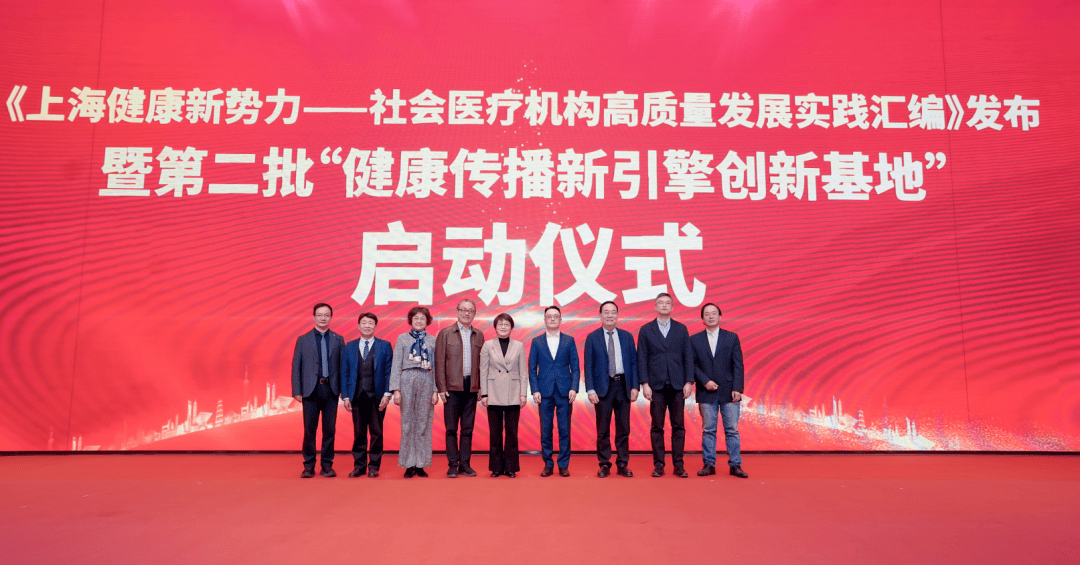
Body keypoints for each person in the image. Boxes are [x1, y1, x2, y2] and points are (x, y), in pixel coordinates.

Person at [637, 292, 694, 478]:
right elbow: (641, 358)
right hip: (656, 386)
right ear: (655, 307)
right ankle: (659, 464)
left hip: (678, 386)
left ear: (672, 307)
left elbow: (688, 357)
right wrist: (645, 383)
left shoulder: (681, 329)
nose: (664, 305)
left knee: (678, 426)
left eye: (667, 303)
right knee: (657, 426)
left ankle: (679, 465)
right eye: (660, 303)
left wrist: (688, 382)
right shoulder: (646, 329)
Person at [691, 303, 748, 478]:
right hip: (706, 391)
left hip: (729, 391)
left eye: (714, 313)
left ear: (720, 316)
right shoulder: (694, 340)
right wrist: (705, 381)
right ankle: (709, 464)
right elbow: (692, 365)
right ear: (702, 319)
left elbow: (738, 365)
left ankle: (735, 465)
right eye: (707, 314)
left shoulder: (731, 337)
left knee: (732, 430)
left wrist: (738, 388)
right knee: (708, 430)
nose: (710, 316)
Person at [584, 301, 639, 478]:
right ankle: (604, 464)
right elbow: (588, 365)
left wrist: (635, 386)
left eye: (613, 312)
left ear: (617, 315)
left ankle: (622, 463)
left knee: (623, 428)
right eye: (606, 312)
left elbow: (633, 363)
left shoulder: (627, 336)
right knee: (603, 429)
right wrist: (590, 389)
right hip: (602, 388)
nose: (610, 315)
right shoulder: (592, 337)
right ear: (600, 315)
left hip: (623, 386)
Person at [291, 303, 345, 478]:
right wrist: (297, 390)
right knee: (309, 430)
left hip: (331, 389)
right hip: (310, 390)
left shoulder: (338, 339)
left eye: (327, 315)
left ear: (331, 317)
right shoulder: (303, 339)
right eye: (320, 315)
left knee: (329, 430)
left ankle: (327, 465)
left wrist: (344, 391)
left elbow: (343, 367)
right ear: (314, 317)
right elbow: (296, 366)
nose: (323, 318)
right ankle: (308, 465)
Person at [434, 298, 485, 478]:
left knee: (467, 429)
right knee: (451, 429)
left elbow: (482, 364)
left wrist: (480, 386)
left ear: (474, 314)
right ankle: (452, 465)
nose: (466, 313)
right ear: (457, 311)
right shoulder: (446, 333)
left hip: (471, 388)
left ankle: (465, 464)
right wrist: (441, 387)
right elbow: (439, 362)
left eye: (470, 310)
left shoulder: (479, 335)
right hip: (451, 388)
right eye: (463, 309)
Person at [528, 305, 580, 477]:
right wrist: (535, 390)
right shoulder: (537, 341)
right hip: (544, 392)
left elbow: (575, 367)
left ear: (560, 319)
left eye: (555, 316)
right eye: (549, 316)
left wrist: (574, 388)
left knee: (565, 430)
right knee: (546, 430)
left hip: (565, 392)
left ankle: (563, 465)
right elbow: (532, 368)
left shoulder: (569, 340)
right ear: (544, 319)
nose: (552, 319)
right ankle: (548, 464)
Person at [340, 312, 394, 478]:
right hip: (356, 396)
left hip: (377, 397)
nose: (367, 326)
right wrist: (346, 396)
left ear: (375, 326)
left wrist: (387, 394)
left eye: (371, 323)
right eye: (364, 323)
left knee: (377, 433)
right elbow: (344, 372)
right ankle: (359, 466)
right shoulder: (350, 346)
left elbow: (389, 372)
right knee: (359, 433)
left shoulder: (384, 345)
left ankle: (374, 467)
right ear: (358, 326)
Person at [389, 306, 439, 478]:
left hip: (426, 379)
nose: (419, 321)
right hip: (407, 379)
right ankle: (408, 463)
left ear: (427, 321)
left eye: (422, 318)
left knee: (424, 423)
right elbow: (396, 364)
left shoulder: (432, 340)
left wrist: (435, 390)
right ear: (411, 320)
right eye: (416, 318)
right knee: (407, 423)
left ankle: (421, 463)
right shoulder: (402, 338)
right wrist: (396, 390)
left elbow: (436, 367)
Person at [479, 313, 528, 477]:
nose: (503, 327)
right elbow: (483, 370)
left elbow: (523, 372)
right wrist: (484, 393)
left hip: (513, 392)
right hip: (493, 391)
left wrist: (523, 394)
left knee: (512, 432)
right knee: (495, 433)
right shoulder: (487, 345)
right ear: (495, 327)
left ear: (511, 328)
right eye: (500, 324)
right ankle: (497, 467)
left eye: (506, 324)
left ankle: (511, 468)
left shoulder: (519, 345)